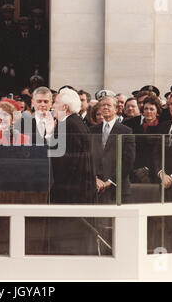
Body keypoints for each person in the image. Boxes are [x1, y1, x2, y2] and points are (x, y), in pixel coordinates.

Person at [44, 87, 97, 255]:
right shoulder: (74, 122)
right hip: (78, 190)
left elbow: (61, 161)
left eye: (56, 103)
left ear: (65, 107)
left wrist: (48, 136)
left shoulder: (68, 125)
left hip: (71, 193)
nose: (52, 106)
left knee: (68, 241)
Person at [90, 96, 135, 203]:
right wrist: (95, 178)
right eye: (103, 105)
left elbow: (128, 161)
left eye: (108, 105)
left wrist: (110, 181)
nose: (105, 107)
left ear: (116, 109)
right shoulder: (92, 131)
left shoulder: (126, 131)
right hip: (97, 187)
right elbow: (88, 157)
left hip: (118, 187)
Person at [130, 96, 163, 183]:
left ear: (157, 111)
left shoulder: (162, 128)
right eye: (146, 109)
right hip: (137, 171)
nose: (148, 111)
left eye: (151, 109)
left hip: (156, 171)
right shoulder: (135, 128)